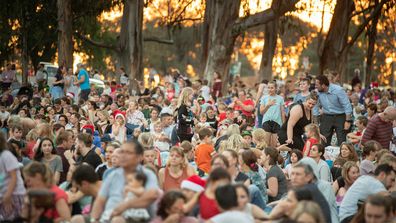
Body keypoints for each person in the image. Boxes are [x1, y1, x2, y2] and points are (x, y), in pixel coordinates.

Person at [89, 141, 159, 223]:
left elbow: (152, 195)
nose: (123, 156)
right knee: (78, 219)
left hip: (135, 218)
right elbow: (100, 200)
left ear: (139, 157)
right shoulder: (112, 175)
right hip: (108, 216)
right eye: (122, 152)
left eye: (128, 153)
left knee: (117, 220)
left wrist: (126, 205)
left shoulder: (147, 174)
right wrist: (94, 219)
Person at [313, 75, 353, 146]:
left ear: (323, 85)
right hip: (326, 117)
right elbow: (315, 107)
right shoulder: (317, 92)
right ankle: (323, 155)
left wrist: (348, 121)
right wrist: (316, 124)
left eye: (317, 85)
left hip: (340, 116)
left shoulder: (338, 90)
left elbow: (347, 105)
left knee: (342, 140)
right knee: (323, 140)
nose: (315, 87)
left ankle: (342, 156)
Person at [0, 132, 26, 221]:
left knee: (14, 219)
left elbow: (13, 177)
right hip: (4, 194)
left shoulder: (6, 155)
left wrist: (7, 195)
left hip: (14, 194)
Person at [260, 81, 285, 147]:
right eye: (268, 88)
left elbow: (282, 112)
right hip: (266, 121)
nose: (270, 89)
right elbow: (261, 112)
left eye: (272, 88)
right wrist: (268, 105)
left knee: (274, 145)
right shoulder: (264, 98)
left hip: (277, 122)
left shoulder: (280, 98)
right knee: (266, 144)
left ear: (276, 88)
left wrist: (284, 125)